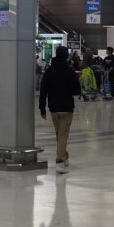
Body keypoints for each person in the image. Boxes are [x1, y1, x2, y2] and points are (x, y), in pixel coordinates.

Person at [39, 46, 81, 174]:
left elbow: (43, 90)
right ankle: (59, 161)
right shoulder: (70, 72)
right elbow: (76, 91)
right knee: (63, 135)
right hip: (67, 108)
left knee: (59, 135)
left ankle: (65, 156)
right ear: (66, 56)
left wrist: (42, 108)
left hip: (53, 108)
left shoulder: (49, 71)